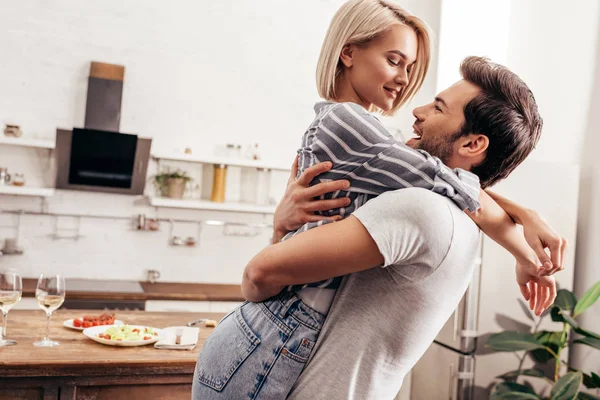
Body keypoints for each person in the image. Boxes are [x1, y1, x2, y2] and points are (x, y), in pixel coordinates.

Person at [192, 1, 563, 399]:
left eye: (411, 69)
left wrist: (523, 237)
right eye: (395, 61)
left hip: (282, 325)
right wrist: (523, 228)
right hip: (277, 326)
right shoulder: (349, 125)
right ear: (348, 53)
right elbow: (442, 178)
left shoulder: (414, 197)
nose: (408, 86)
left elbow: (442, 179)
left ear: (474, 142)